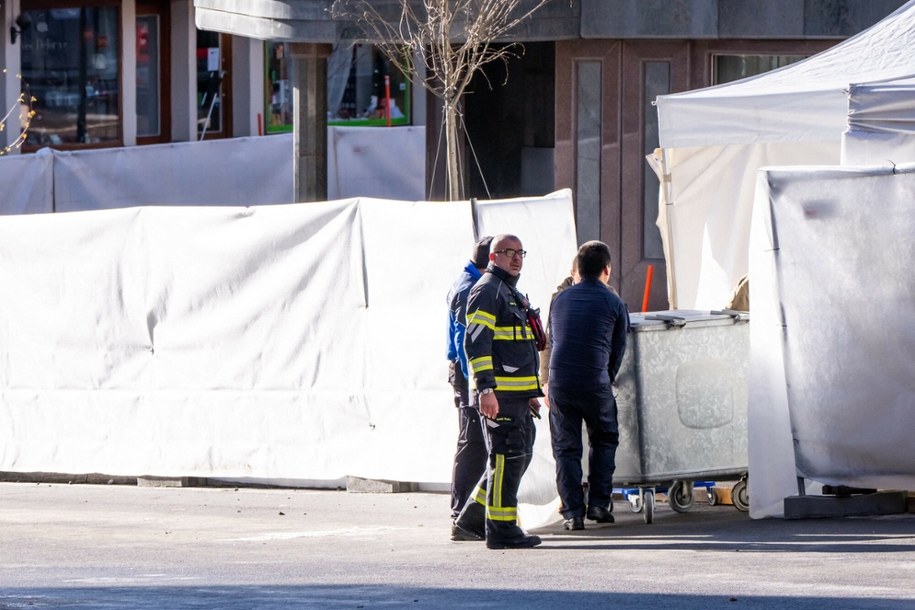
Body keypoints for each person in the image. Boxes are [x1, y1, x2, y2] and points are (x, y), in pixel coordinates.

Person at [452, 234, 544, 549]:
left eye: (521, 252)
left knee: (518, 455)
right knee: (508, 457)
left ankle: (471, 520)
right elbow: (476, 343)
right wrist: (486, 389)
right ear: (493, 257)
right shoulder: (487, 290)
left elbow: (516, 346)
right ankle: (502, 529)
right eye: (508, 252)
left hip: (516, 395)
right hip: (499, 396)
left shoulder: (507, 291)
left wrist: (530, 391)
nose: (516, 258)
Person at [547, 240, 628, 531]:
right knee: (604, 439)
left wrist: (548, 382)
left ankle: (572, 513)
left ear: (577, 270)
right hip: (595, 382)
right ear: (607, 270)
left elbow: (552, 341)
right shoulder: (615, 302)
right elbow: (618, 351)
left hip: (560, 384)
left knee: (566, 449)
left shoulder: (559, 299)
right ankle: (598, 504)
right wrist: (604, 377)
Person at [445, 235, 493, 542]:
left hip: (466, 374)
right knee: (472, 442)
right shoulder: (469, 289)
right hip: (467, 375)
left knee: (473, 441)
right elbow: (466, 344)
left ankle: (468, 508)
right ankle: (462, 510)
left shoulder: (468, 281)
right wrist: (477, 384)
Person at [539, 256, 579, 409]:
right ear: (572, 273)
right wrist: (546, 381)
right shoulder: (560, 299)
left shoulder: (607, 295)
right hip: (564, 380)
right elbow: (548, 341)